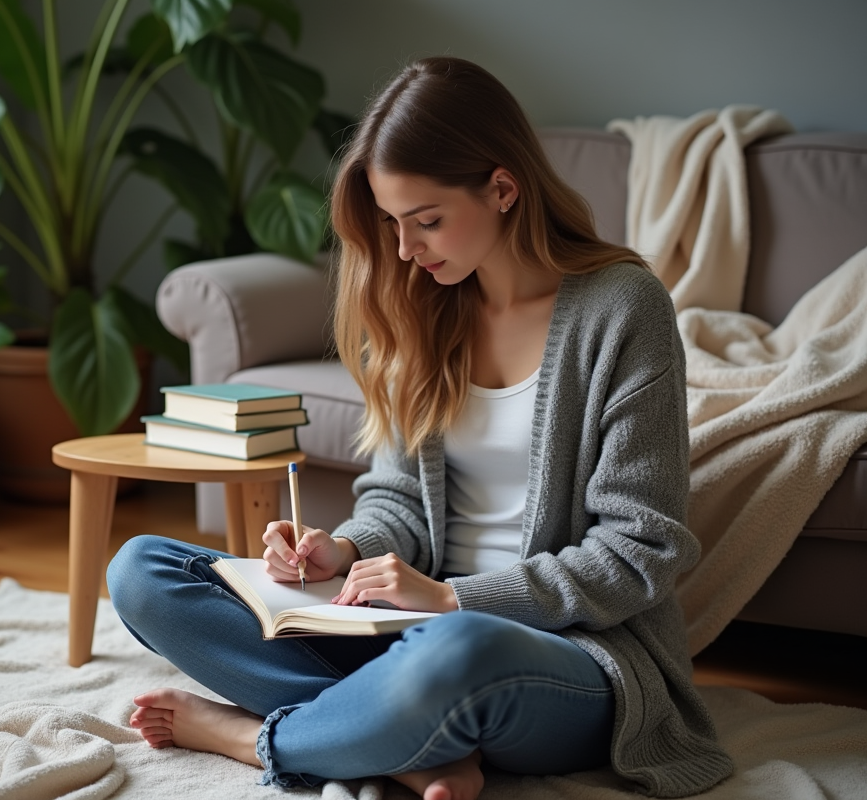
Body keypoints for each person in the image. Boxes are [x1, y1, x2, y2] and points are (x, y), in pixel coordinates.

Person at [106, 57, 734, 800]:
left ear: (503, 189)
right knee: (143, 572)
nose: (405, 251)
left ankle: (258, 737)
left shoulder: (624, 309)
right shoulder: (424, 305)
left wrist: (454, 600)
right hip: (405, 634)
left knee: (456, 653)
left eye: (427, 221)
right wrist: (341, 549)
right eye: (392, 225)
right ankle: (405, 743)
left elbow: (638, 553)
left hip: (558, 658)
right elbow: (398, 501)